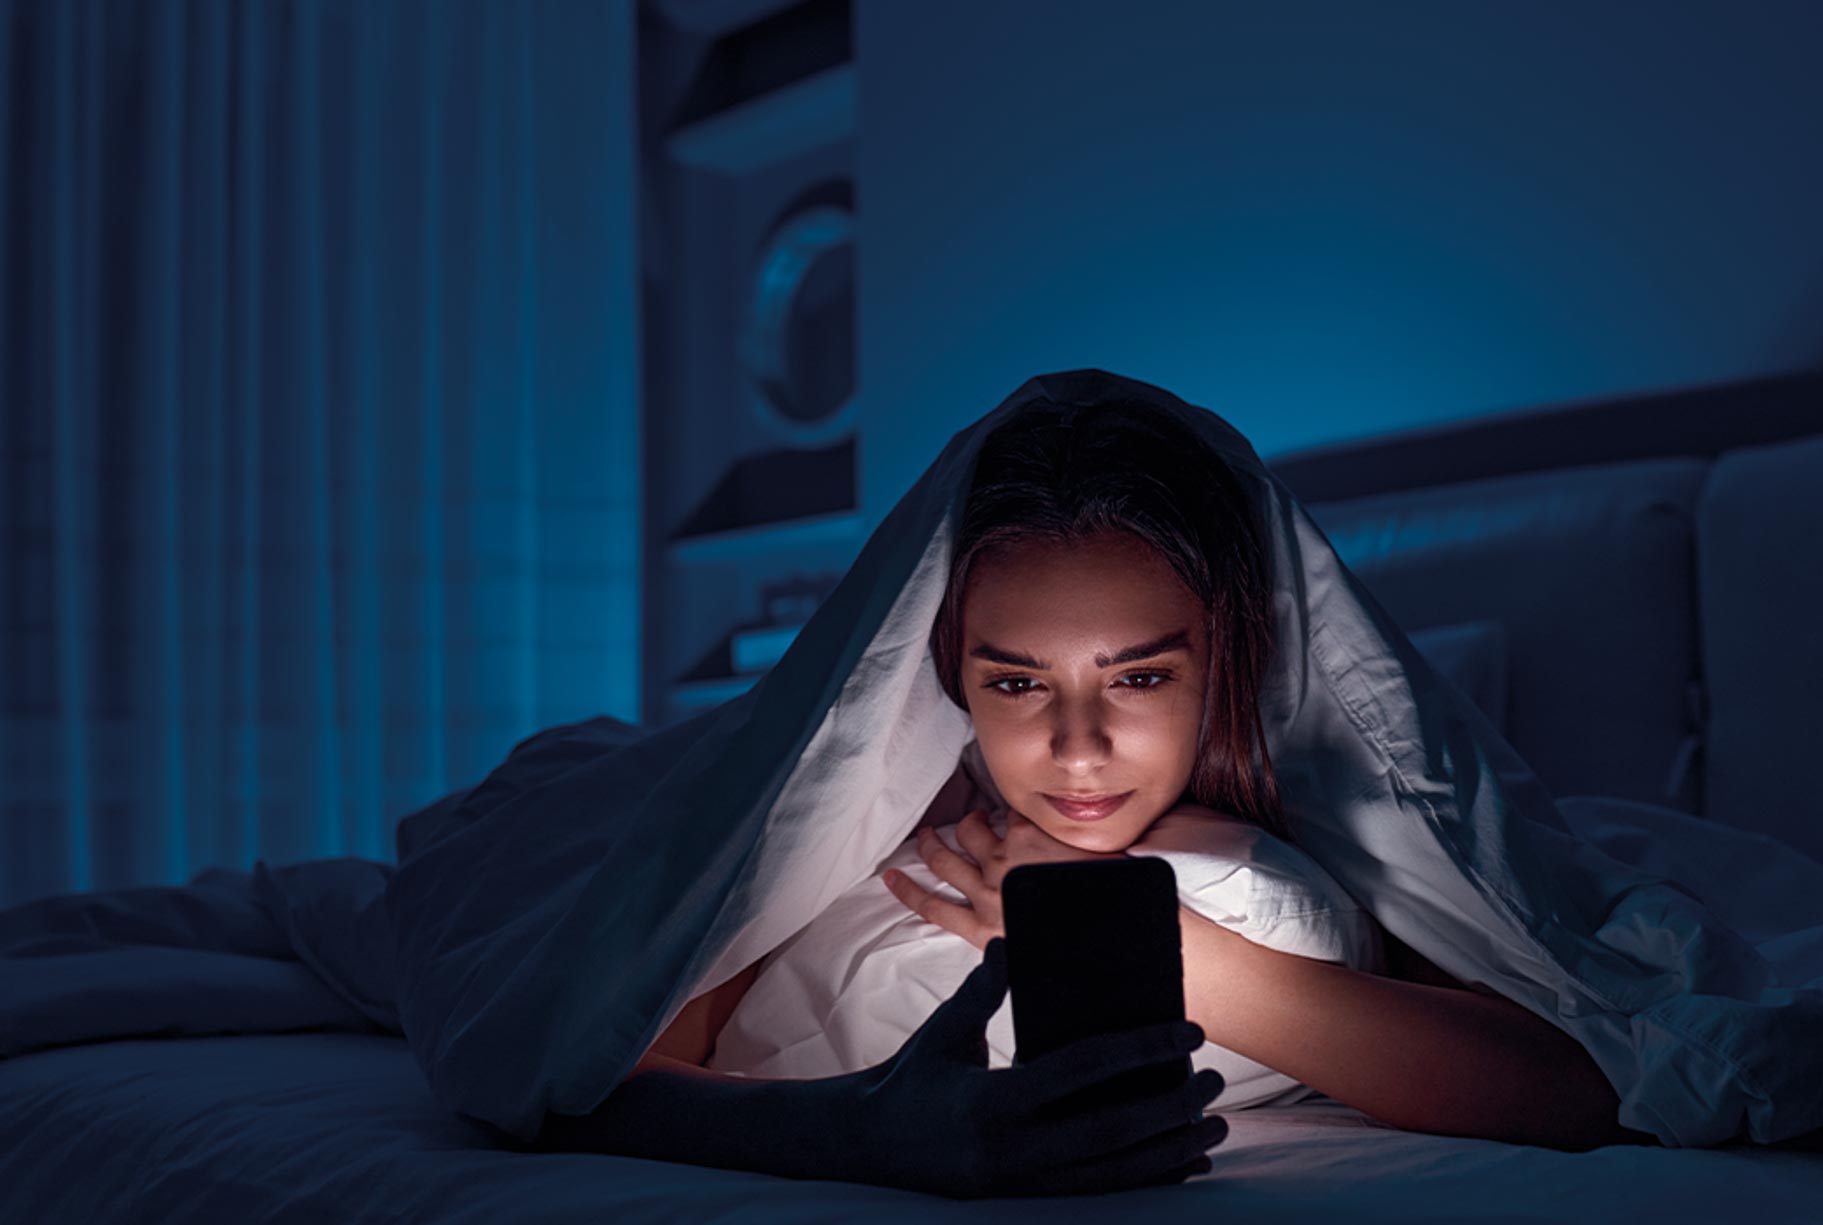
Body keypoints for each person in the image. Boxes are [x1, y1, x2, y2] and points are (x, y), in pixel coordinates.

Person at [535, 392, 1642, 1196]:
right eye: (1013, 681)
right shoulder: (875, 808)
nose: (1075, 749)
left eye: (1140, 676)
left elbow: (1569, 1090)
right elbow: (588, 1071)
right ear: (946, 672)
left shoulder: (1335, 812)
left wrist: (1131, 929)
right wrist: (861, 1134)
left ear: (1230, 657)